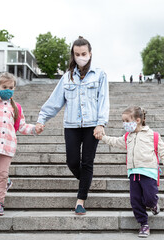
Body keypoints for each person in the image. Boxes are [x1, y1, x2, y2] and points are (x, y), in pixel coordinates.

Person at [36, 36, 109, 215]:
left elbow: (104, 101)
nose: (80, 57)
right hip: (71, 125)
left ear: (90, 53)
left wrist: (101, 123)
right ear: (73, 55)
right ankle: (86, 180)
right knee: (72, 161)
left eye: (84, 53)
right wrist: (41, 119)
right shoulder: (67, 77)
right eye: (77, 54)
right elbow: (55, 101)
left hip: (92, 125)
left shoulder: (100, 75)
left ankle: (80, 200)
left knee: (87, 162)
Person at [96, 106, 164, 238]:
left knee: (149, 197)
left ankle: (153, 205)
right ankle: (143, 224)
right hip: (133, 173)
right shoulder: (128, 137)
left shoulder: (152, 135)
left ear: (137, 120)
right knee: (135, 200)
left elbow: (163, 151)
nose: (124, 124)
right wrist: (103, 138)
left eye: (126, 120)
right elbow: (115, 142)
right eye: (123, 121)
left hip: (149, 172)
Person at [0, 72, 37, 216]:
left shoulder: (15, 107)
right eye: (4, 87)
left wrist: (35, 129)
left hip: (8, 145)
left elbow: (22, 126)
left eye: (11, 87)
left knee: (2, 174)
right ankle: (7, 181)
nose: (8, 90)